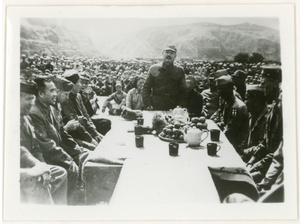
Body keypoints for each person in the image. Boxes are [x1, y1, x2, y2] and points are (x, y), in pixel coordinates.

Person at [20, 81, 68, 204]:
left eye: (33, 99)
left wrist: (42, 166)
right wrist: (39, 167)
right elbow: (19, 150)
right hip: (18, 168)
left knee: (60, 172)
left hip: (31, 164)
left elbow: (35, 148)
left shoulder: (26, 117)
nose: (32, 103)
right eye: (29, 99)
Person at [61, 70, 103, 142]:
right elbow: (76, 120)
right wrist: (92, 135)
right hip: (75, 128)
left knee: (105, 123)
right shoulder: (65, 99)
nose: (81, 85)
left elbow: (85, 113)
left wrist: (92, 126)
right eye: (79, 82)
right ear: (71, 84)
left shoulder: (78, 95)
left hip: (83, 123)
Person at [142, 45, 187, 110]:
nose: (169, 55)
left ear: (175, 56)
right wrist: (148, 104)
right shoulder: (154, 68)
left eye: (172, 53)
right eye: (167, 52)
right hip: (156, 105)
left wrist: (180, 105)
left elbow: (183, 91)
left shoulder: (179, 70)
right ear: (162, 54)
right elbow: (146, 89)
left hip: (174, 107)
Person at [212, 75, 249, 153]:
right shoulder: (225, 100)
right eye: (218, 89)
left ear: (230, 88)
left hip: (238, 146)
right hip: (229, 139)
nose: (219, 92)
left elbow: (230, 132)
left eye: (222, 89)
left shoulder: (237, 107)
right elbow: (220, 115)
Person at [241, 85, 268, 162]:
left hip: (259, 161)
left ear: (256, 101)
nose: (244, 102)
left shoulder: (267, 119)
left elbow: (263, 147)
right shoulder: (252, 114)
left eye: (246, 99)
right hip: (248, 157)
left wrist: (244, 151)